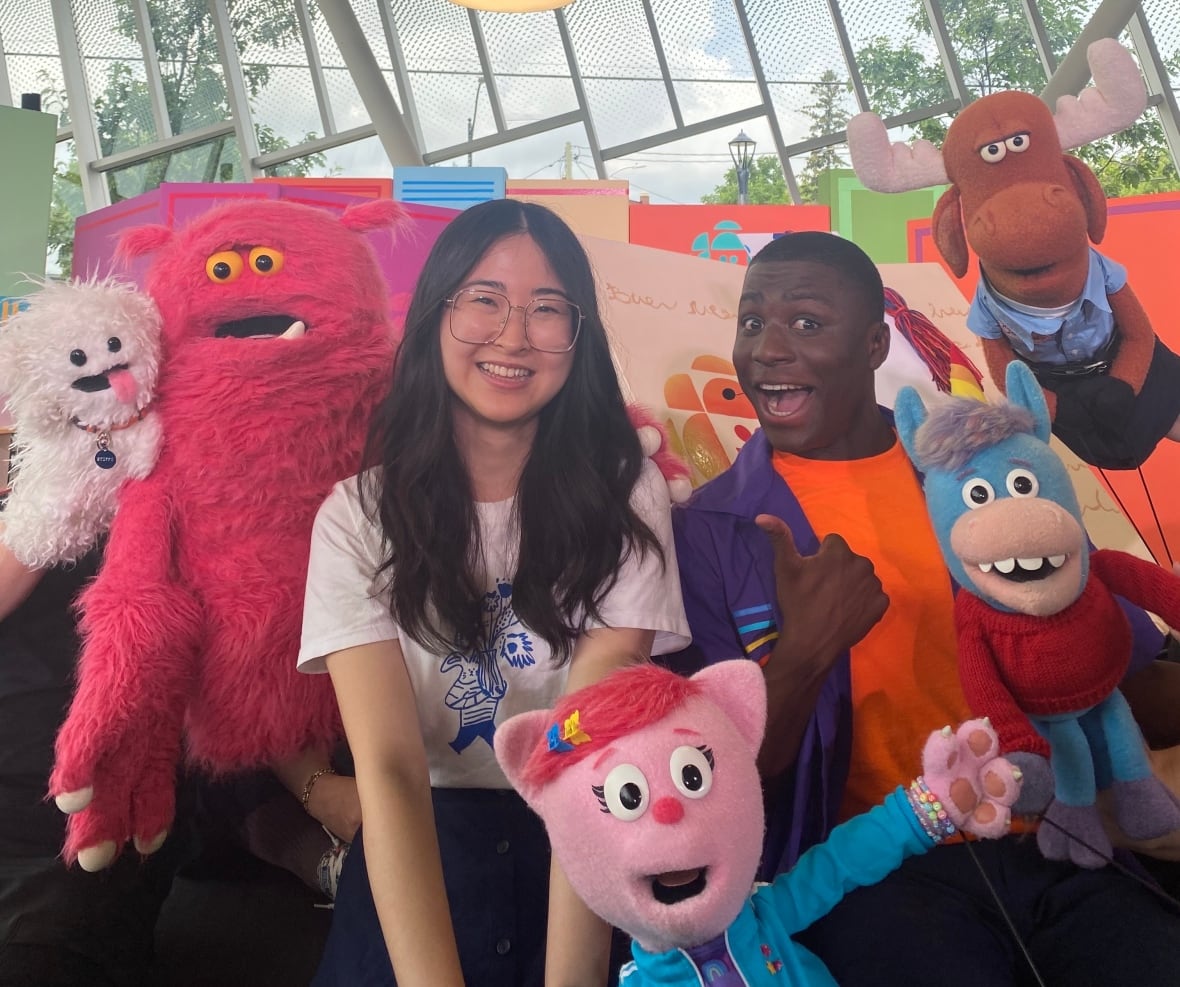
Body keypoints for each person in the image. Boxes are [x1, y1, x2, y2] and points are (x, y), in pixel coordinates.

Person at [669, 230, 1180, 985]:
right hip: (866, 872)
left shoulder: (975, 471)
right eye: (752, 323)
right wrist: (807, 650)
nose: (767, 349)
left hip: (1054, 838)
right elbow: (709, 780)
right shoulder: (710, 532)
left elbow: (1115, 661)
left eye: (806, 323)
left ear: (877, 343)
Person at [297, 198, 690, 987]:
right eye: (484, 300)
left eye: (548, 309)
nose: (513, 335)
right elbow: (391, 767)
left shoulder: (626, 495)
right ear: (437, 312)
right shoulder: (356, 516)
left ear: (579, 338)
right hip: (421, 838)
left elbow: (584, 752)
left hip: (582, 829)